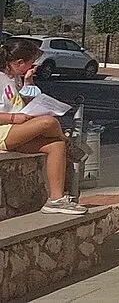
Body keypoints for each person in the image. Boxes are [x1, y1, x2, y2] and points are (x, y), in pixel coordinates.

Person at [1, 38, 86, 214]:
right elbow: (14, 112)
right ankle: (68, 143)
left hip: (16, 129)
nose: (34, 66)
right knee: (49, 122)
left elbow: (22, 102)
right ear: (19, 62)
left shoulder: (16, 79)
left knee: (56, 145)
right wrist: (13, 117)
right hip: (4, 130)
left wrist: (28, 82)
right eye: (31, 63)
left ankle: (56, 199)